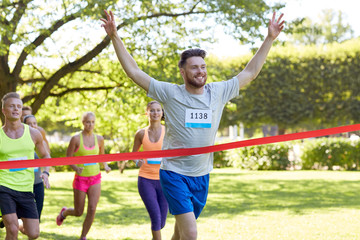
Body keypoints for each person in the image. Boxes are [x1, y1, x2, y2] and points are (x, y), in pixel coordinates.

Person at [101, 10, 284, 240]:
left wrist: (269, 38)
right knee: (191, 234)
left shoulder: (218, 92)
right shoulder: (170, 93)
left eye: (203, 66)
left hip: (202, 175)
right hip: (174, 173)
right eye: (195, 67)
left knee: (180, 235)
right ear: (183, 71)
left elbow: (250, 72)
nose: (201, 71)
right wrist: (115, 37)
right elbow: (134, 72)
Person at [0, 92, 51, 240]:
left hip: (26, 187)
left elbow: (45, 155)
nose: (16, 109)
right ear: (4, 110)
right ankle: (11, 221)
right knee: (13, 230)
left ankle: (11, 220)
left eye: (18, 107)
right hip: (4, 186)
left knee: (34, 233)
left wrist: (46, 173)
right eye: (11, 106)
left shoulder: (34, 134)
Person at [56, 112, 111, 240]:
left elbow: (102, 157)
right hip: (81, 179)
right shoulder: (76, 139)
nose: (90, 125)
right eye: (87, 122)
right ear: (83, 123)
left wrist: (106, 166)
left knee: (92, 209)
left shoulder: (100, 139)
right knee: (79, 212)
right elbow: (68, 158)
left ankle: (83, 236)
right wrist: (76, 167)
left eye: (92, 122)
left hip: (95, 178)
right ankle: (64, 212)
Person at [132, 101, 168, 240]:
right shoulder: (141, 133)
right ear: (147, 113)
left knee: (162, 222)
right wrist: (137, 161)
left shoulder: (168, 131)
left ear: (162, 113)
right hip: (145, 180)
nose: (155, 113)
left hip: (164, 180)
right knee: (155, 218)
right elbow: (134, 154)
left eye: (158, 110)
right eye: (152, 110)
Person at [23, 114, 50, 220]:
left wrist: (46, 173)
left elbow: (47, 158)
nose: (32, 126)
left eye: (34, 123)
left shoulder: (41, 142)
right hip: (22, 184)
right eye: (29, 124)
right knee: (21, 218)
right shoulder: (20, 141)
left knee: (36, 217)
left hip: (38, 183)